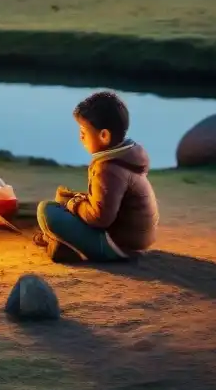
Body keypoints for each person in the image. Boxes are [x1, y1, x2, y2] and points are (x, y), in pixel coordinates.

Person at [34, 90, 159, 262]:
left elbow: (99, 218)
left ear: (104, 136)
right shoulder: (124, 157)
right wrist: (75, 200)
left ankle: (64, 245)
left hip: (117, 245)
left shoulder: (109, 168)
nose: (80, 137)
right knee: (63, 201)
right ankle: (62, 244)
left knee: (47, 210)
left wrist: (75, 204)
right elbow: (107, 203)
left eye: (84, 132)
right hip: (131, 240)